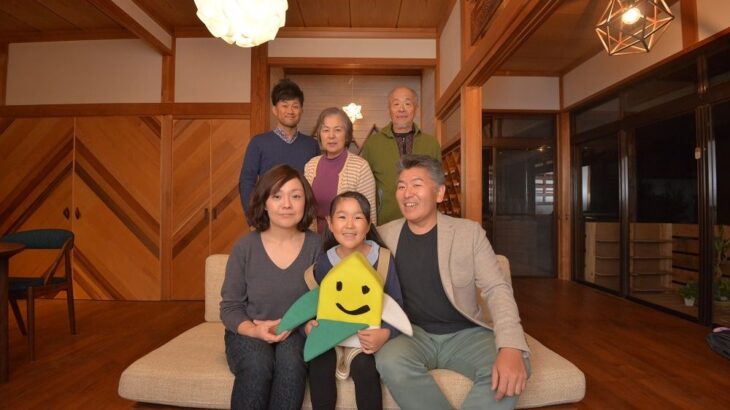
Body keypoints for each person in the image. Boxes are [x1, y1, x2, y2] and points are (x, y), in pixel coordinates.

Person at [375, 155, 530, 410]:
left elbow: (496, 288)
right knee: (389, 360)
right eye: (401, 186)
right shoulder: (384, 234)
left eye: (416, 184)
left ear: (439, 193)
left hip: (466, 334)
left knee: (516, 364)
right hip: (412, 333)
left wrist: (510, 345)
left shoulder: (469, 233)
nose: (407, 193)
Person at [221, 164, 321, 410]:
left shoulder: (318, 246)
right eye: (277, 196)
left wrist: (304, 324)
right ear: (264, 203)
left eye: (295, 196)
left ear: (305, 202)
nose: (287, 204)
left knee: (291, 364)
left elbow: (325, 301)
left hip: (297, 332)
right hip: (250, 329)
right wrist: (254, 331)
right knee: (257, 364)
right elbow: (230, 308)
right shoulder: (244, 247)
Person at [306, 191, 404, 410]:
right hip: (331, 339)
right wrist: (309, 326)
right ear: (330, 223)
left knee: (365, 367)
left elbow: (396, 304)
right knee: (319, 362)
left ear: (368, 224)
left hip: (364, 341)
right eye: (342, 217)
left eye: (358, 217)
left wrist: (385, 333)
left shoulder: (383, 259)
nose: (350, 224)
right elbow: (315, 304)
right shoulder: (325, 262)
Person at [239, 78, 320, 222]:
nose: (290, 111)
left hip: (301, 219)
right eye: (285, 105)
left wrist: (310, 217)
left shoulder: (311, 145)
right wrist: (253, 218)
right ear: (275, 110)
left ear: (301, 110)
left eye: (295, 106)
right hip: (268, 219)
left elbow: (317, 184)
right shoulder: (258, 143)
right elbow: (247, 181)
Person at [360, 86, 441, 225]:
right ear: (389, 109)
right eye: (396, 104)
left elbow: (438, 184)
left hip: (424, 222)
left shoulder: (431, 143)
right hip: (384, 223)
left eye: (407, 103)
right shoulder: (373, 143)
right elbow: (363, 185)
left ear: (416, 109)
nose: (401, 109)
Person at [304, 107, 377, 233]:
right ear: (320, 135)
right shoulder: (311, 165)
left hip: (348, 239)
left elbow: (370, 216)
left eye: (338, 130)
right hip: (314, 239)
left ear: (347, 135)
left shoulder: (360, 167)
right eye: (325, 130)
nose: (331, 136)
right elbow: (304, 209)